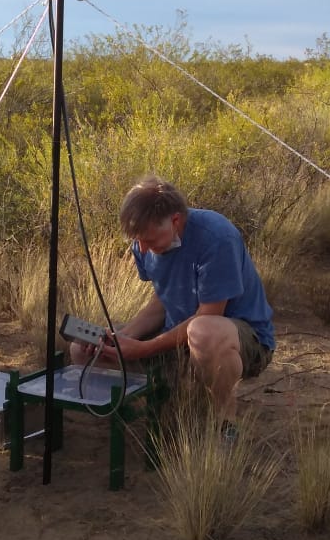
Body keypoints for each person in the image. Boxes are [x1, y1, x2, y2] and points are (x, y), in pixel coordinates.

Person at [71, 175, 275, 439]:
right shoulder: (144, 242)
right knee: (83, 350)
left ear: (175, 221)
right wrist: (124, 339)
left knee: (204, 332)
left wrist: (143, 349)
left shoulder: (216, 237)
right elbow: (160, 302)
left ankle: (225, 424)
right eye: (137, 240)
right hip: (181, 339)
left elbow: (209, 314)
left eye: (149, 239)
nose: (142, 248)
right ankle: (147, 412)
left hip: (241, 339)